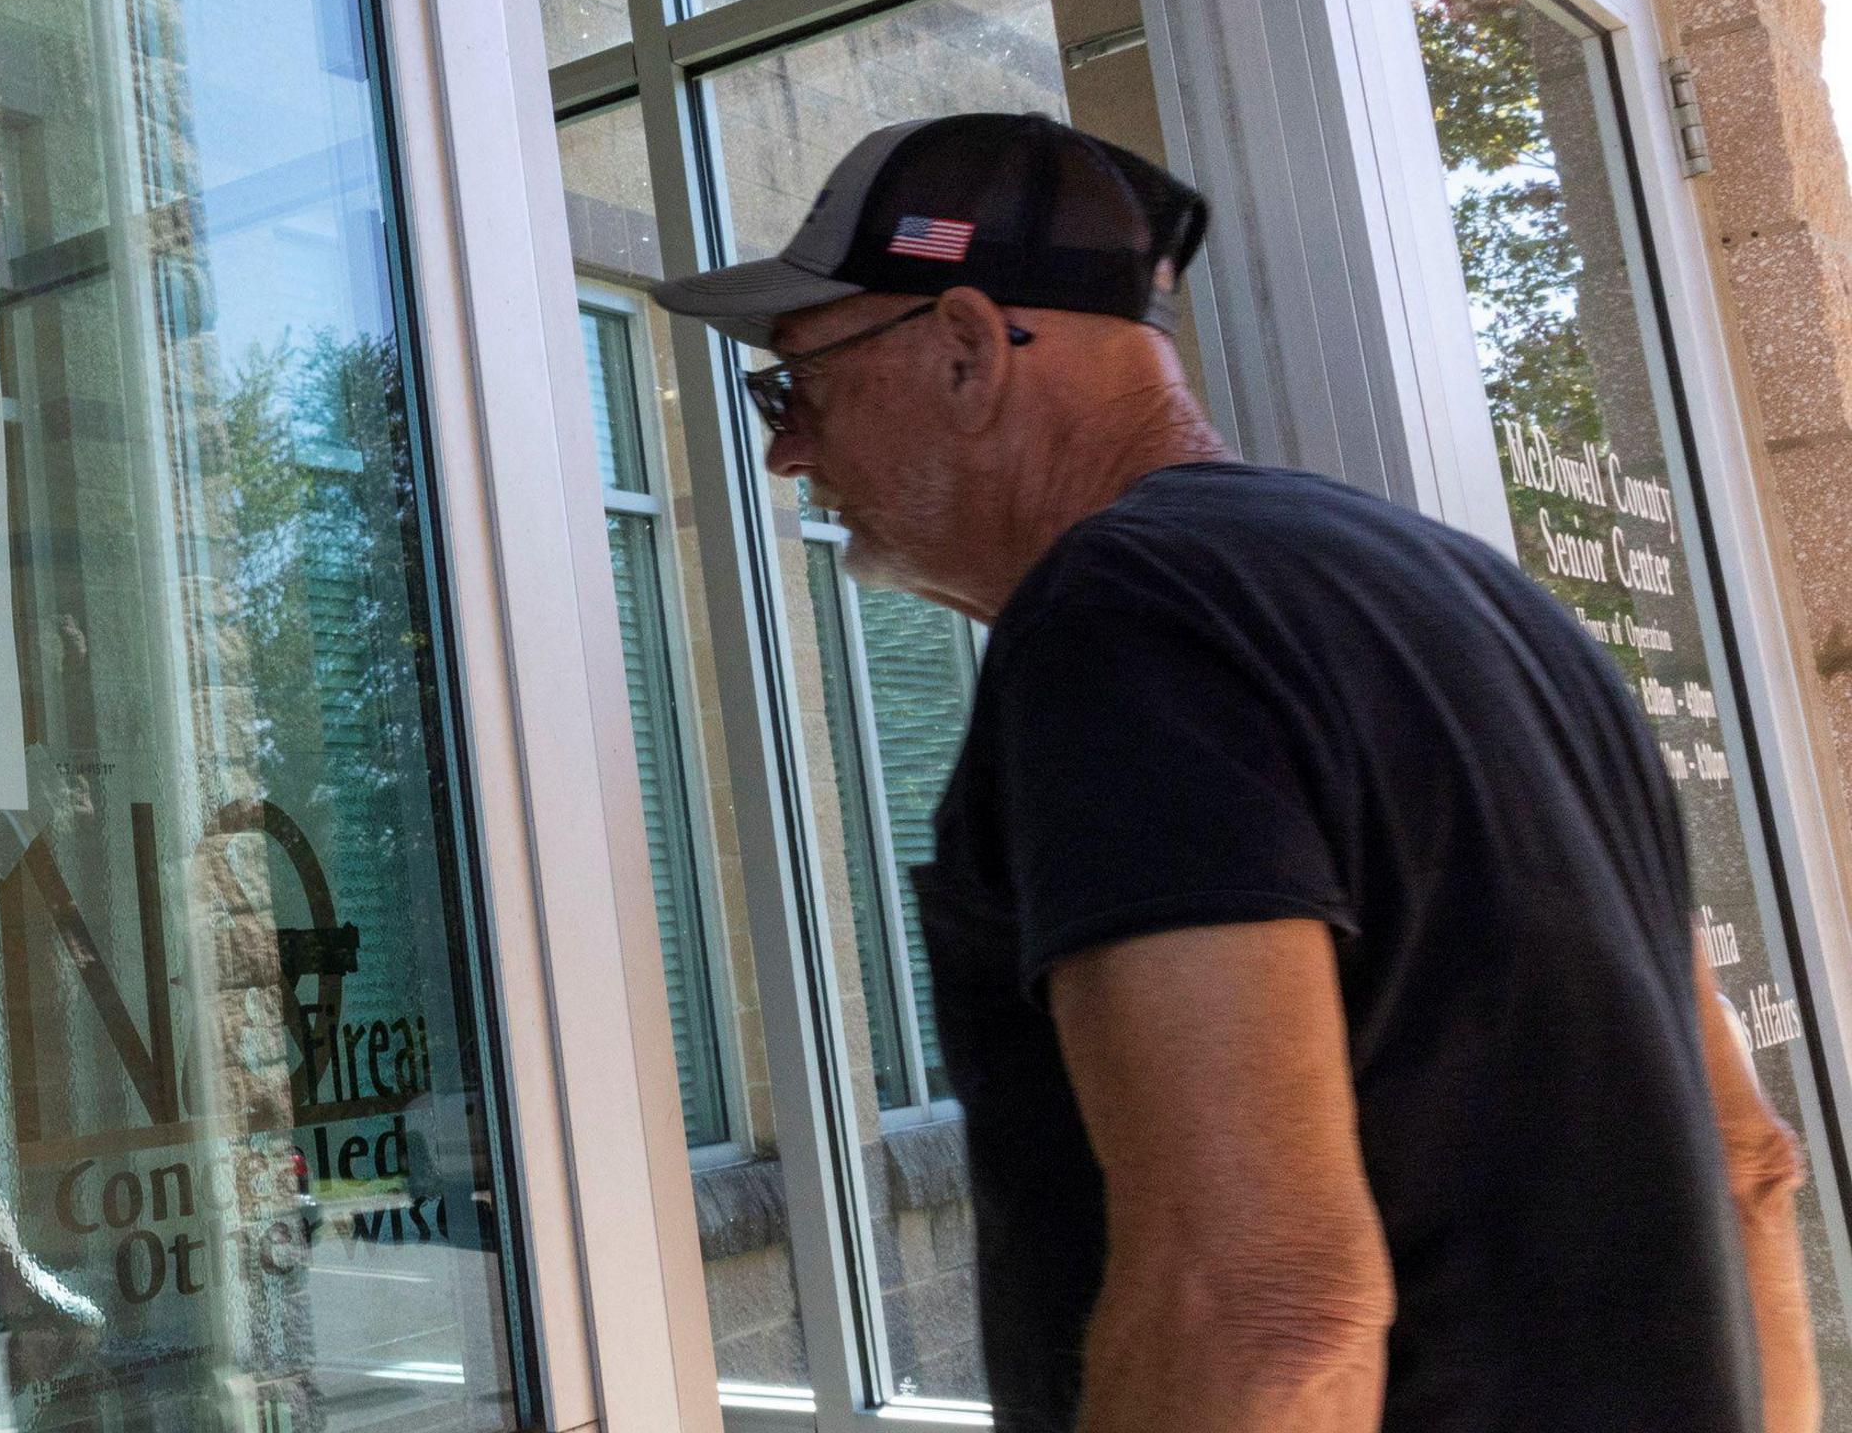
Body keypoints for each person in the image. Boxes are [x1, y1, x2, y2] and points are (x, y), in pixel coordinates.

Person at [646, 112, 1815, 1433]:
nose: (788, 452)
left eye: (792, 388)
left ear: (968, 352)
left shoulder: (1119, 621)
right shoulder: (1499, 610)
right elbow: (1747, 1166)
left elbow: (1268, 1313)